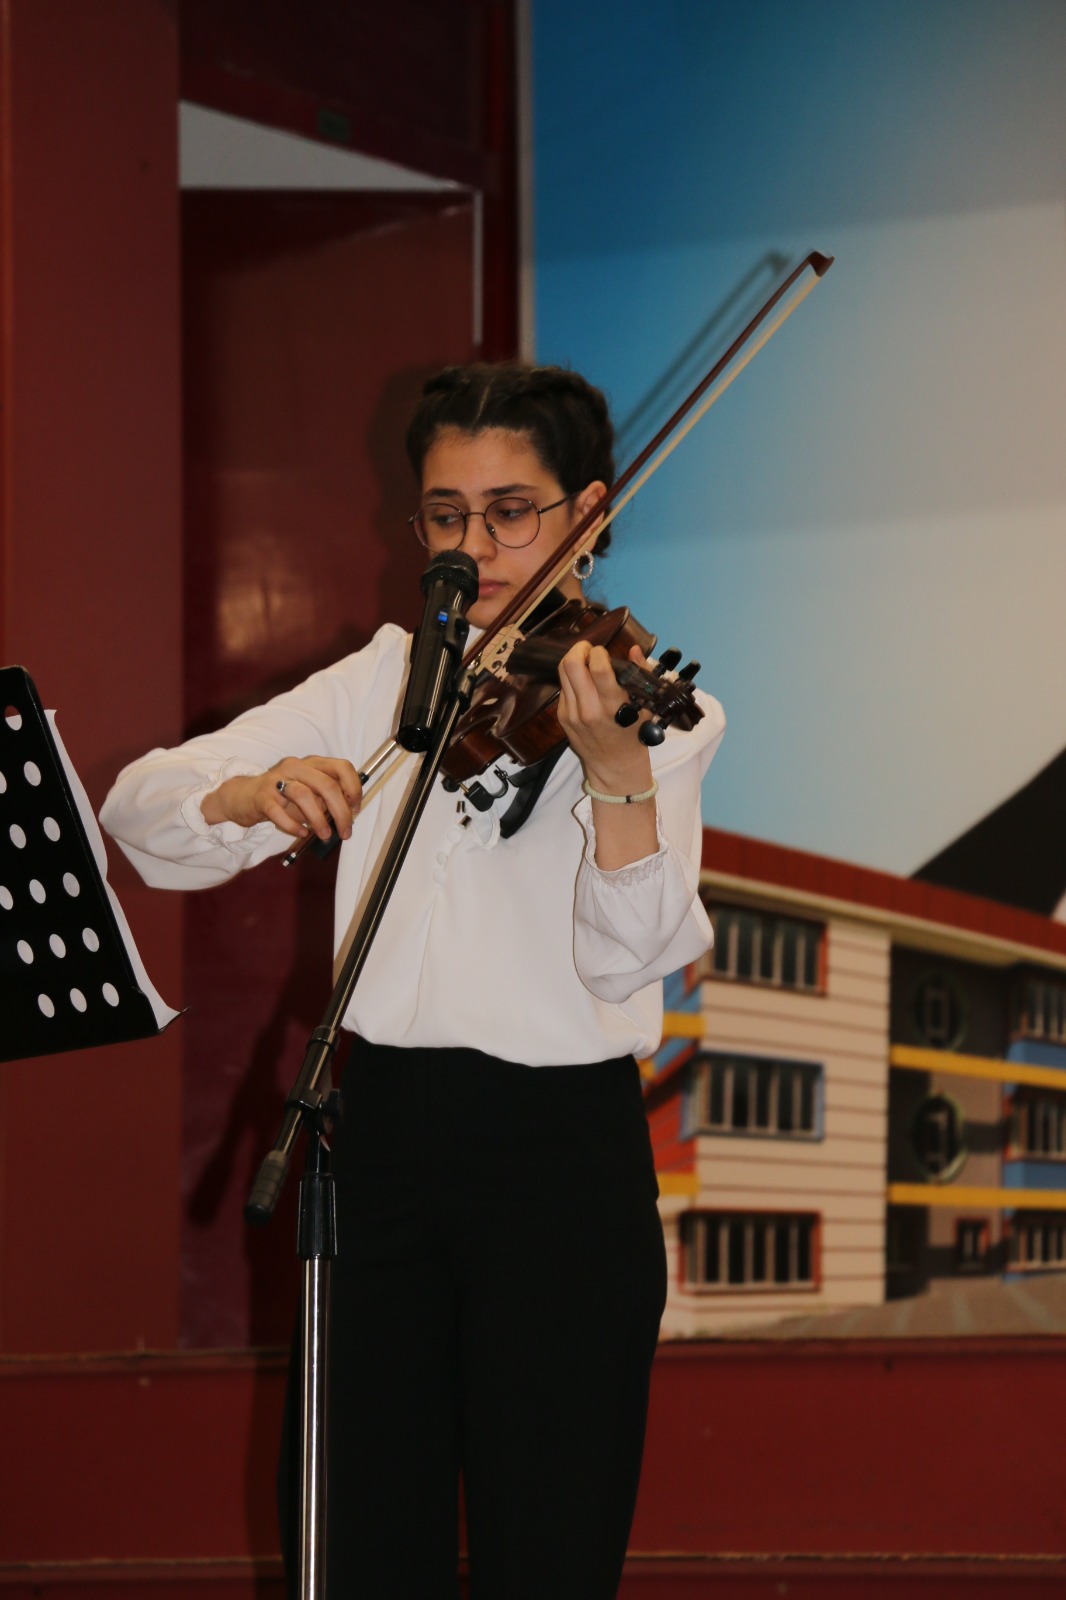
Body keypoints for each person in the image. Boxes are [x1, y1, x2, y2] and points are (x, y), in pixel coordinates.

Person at [100, 362, 725, 1599]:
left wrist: (614, 778)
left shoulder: (663, 715)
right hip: (379, 1141)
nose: (474, 548)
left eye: (512, 512)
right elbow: (140, 809)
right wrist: (253, 792)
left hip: (559, 1165)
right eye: (446, 515)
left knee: (545, 1549)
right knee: (353, 1542)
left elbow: (629, 953)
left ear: (588, 513)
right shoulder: (378, 681)